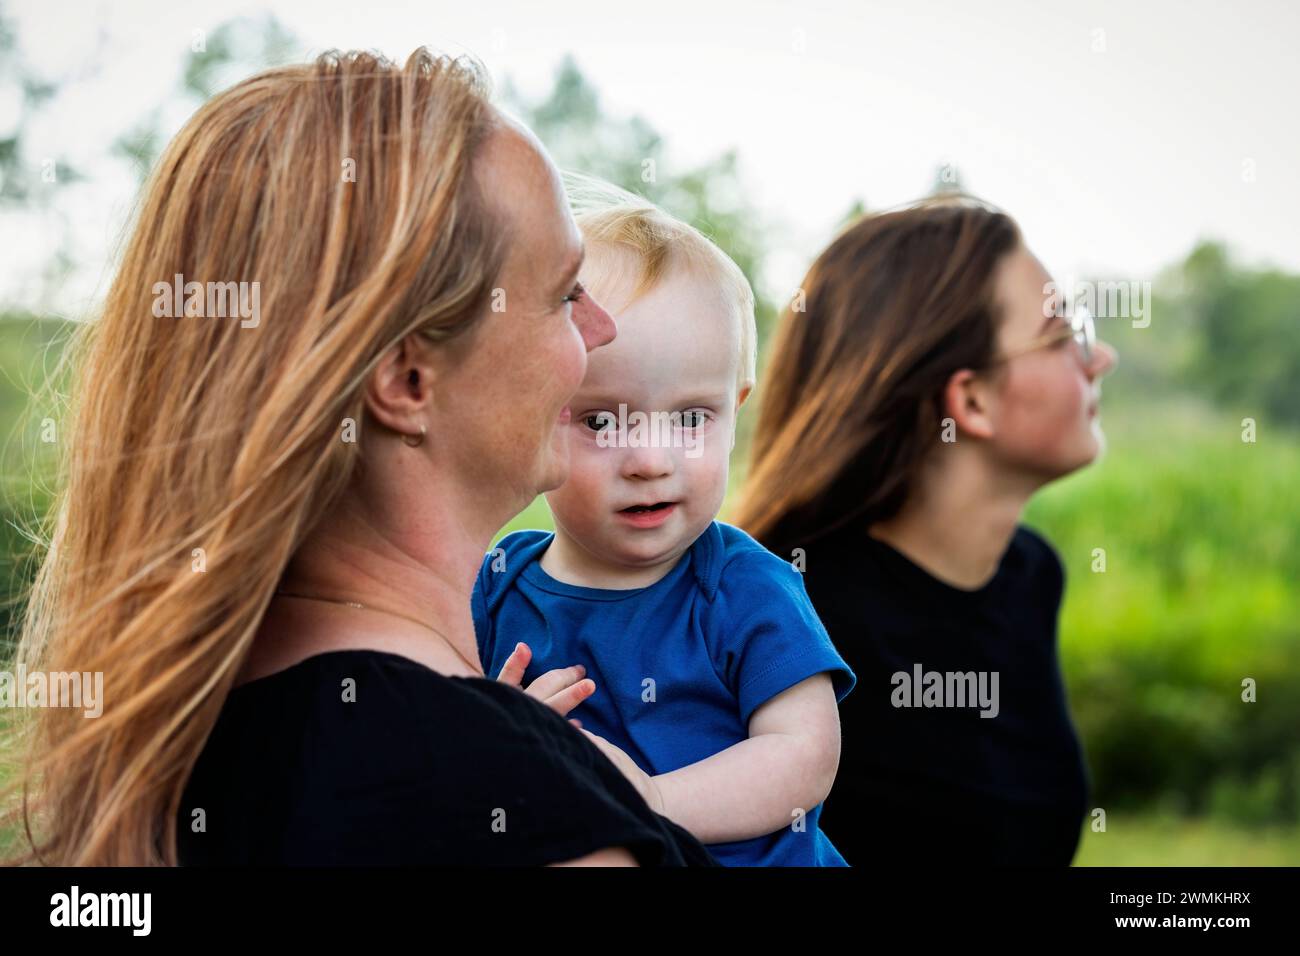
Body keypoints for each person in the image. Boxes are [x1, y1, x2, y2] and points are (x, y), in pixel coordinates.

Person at [1, 49, 717, 867]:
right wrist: (523, 776)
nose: (600, 331)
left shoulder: (175, 748)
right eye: (562, 293)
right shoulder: (510, 805)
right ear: (407, 379)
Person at [474, 181, 856, 866]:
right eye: (600, 420)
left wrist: (652, 802)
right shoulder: (499, 580)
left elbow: (803, 755)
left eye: (690, 418)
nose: (651, 460)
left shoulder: (743, 587)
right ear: (534, 411)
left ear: (735, 413)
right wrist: (489, 724)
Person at [734, 197, 1118, 865]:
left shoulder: (1029, 575)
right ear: (970, 401)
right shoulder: (782, 610)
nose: (1100, 357)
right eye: (1064, 335)